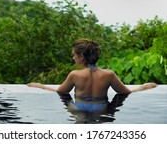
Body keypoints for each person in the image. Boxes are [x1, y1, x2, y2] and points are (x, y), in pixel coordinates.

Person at [27, 38, 157, 113]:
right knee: (114, 104)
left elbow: (59, 92)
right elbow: (126, 92)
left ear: (81, 56)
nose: (73, 58)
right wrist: (145, 86)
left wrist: (41, 86)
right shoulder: (109, 75)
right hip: (101, 110)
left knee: (66, 100)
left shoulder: (75, 75)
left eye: (74, 55)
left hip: (79, 110)